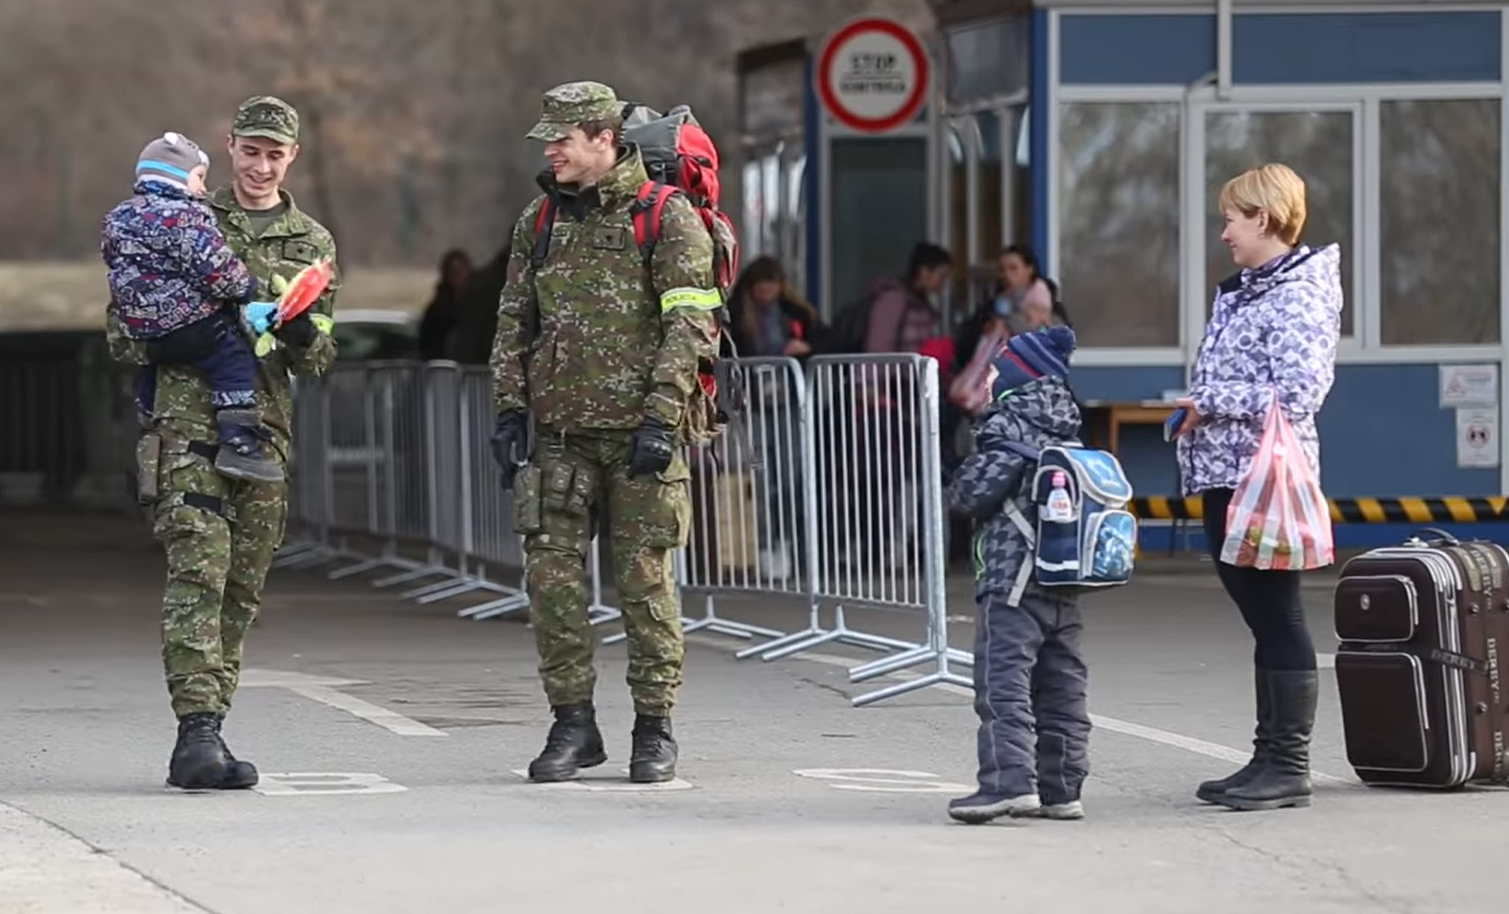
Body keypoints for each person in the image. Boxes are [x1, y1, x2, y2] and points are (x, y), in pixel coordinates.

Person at [106, 96, 340, 791]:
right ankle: (196, 733)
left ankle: (213, 723)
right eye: (250, 151)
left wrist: (300, 332)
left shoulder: (310, 241)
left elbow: (321, 356)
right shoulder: (181, 214)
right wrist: (188, 324)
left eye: (276, 154)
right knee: (198, 574)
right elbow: (122, 329)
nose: (261, 165)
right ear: (229, 149)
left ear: (291, 157)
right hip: (188, 426)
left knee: (240, 587)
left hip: (263, 430)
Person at [488, 81, 718, 785]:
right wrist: (506, 409)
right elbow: (512, 320)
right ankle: (573, 725)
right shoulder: (539, 220)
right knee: (551, 585)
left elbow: (689, 323)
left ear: (601, 137)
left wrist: (659, 415)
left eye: (560, 137)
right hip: (558, 436)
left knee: (644, 585)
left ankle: (653, 728)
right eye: (547, 139)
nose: (550, 150)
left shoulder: (665, 215)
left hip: (637, 439)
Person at [1173, 163, 1341, 812]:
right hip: (1228, 472)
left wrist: (1207, 399)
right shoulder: (1247, 291)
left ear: (1264, 219)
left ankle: (1285, 763)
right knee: (1264, 616)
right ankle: (1266, 756)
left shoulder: (1296, 295)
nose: (1224, 234)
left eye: (1231, 219)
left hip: (1261, 480)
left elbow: (1300, 392)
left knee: (1276, 614)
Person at [943, 326, 1091, 825]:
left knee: (1002, 685)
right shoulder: (1067, 427)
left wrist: (966, 465)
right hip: (1063, 582)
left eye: (998, 370)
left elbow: (967, 496)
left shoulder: (1008, 430)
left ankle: (1007, 784)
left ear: (1015, 379)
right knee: (1062, 685)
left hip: (1012, 581)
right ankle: (1062, 788)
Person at [101, 131, 280, 483]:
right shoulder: (186, 218)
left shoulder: (118, 217)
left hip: (143, 330)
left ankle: (147, 406)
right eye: (199, 177)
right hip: (191, 325)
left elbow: (112, 261)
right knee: (232, 353)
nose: (203, 187)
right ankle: (238, 439)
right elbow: (215, 268)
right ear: (177, 178)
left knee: (157, 361)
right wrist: (246, 288)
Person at [418, 248, 472, 361]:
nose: (458, 275)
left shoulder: (476, 307)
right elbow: (427, 344)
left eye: (461, 270)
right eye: (453, 271)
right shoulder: (437, 310)